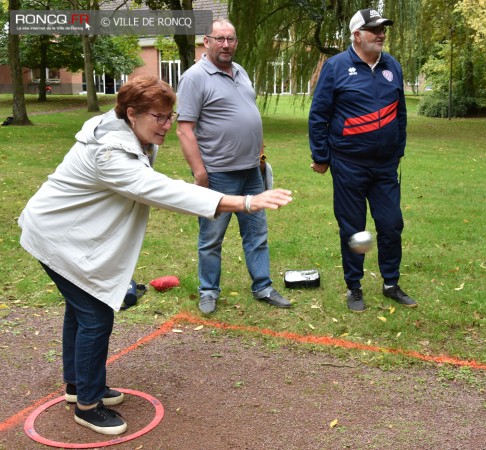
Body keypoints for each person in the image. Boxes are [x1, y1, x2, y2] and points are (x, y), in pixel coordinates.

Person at [18, 76, 292, 435]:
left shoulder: (130, 133)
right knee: (96, 314)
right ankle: (87, 405)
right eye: (159, 117)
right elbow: (158, 189)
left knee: (83, 310)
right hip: (56, 237)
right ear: (132, 114)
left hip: (70, 235)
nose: (168, 125)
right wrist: (244, 202)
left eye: (170, 116)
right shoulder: (109, 152)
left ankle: (78, 387)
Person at [177, 19, 291, 314]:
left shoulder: (240, 71)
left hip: (251, 171)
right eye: (219, 39)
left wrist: (261, 156)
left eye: (231, 39)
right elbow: (184, 129)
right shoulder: (194, 78)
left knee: (257, 233)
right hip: (218, 174)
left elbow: (250, 115)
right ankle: (209, 290)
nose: (226, 44)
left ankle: (263, 286)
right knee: (212, 237)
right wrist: (200, 173)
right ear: (207, 42)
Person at [308, 9, 417, 312]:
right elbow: (319, 115)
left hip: (384, 166)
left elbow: (401, 114)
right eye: (374, 30)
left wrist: (398, 148)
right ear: (356, 35)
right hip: (348, 165)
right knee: (354, 229)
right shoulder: (336, 67)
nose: (381, 34)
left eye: (383, 29)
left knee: (391, 225)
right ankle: (354, 287)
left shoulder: (392, 66)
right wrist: (321, 156)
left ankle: (391, 283)